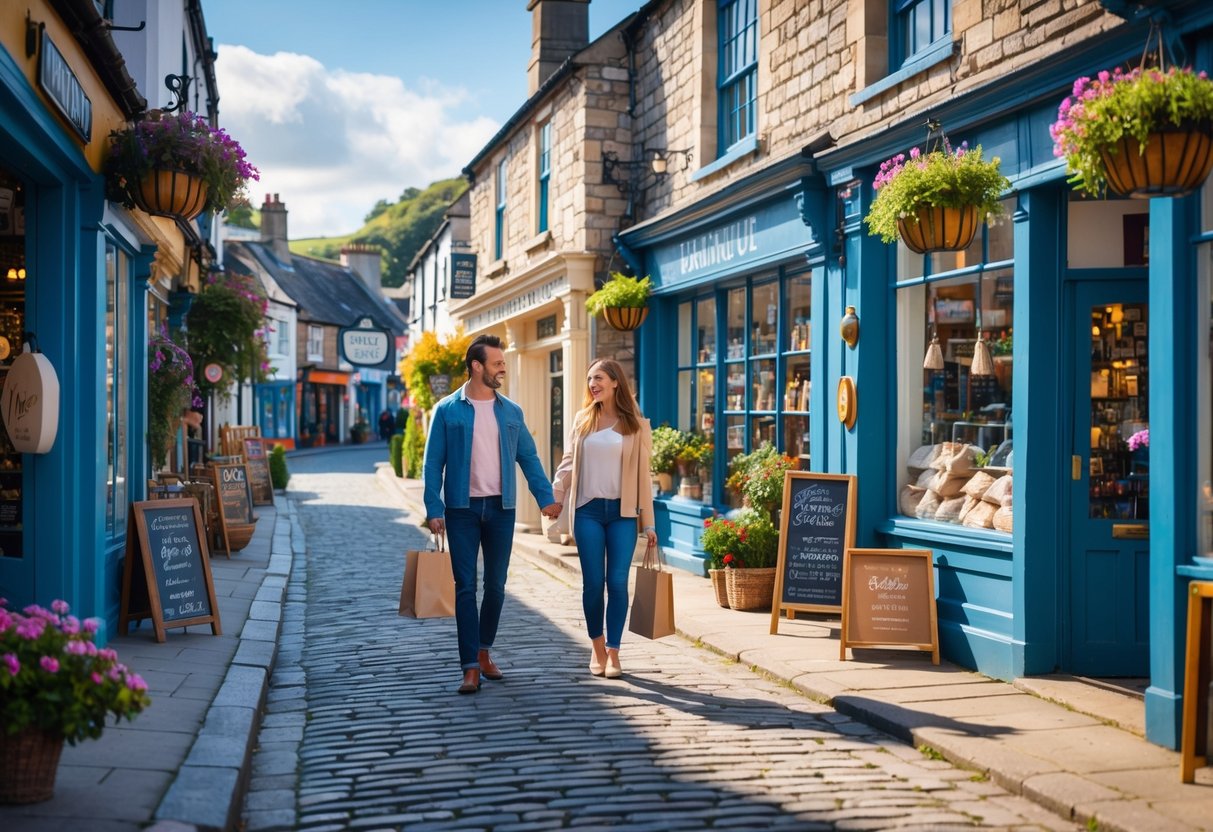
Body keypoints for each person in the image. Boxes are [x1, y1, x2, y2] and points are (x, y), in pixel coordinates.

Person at [423, 334, 562, 694]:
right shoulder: (447, 410)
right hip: (461, 510)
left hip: (501, 509)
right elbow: (432, 463)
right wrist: (433, 508)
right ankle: (469, 667)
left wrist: (545, 498)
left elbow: (528, 458)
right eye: (497, 363)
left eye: (503, 363)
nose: (503, 368)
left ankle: (484, 651)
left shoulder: (511, 411)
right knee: (465, 587)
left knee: (496, 587)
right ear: (476, 366)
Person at [551, 359, 657, 679]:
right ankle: (596, 649)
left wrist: (649, 523)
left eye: (598, 378)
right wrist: (554, 498)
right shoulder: (583, 420)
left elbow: (643, 477)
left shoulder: (635, 425)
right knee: (594, 584)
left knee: (618, 583)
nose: (592, 384)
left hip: (623, 514)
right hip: (588, 511)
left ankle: (614, 651)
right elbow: (567, 464)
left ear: (614, 382)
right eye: (588, 379)